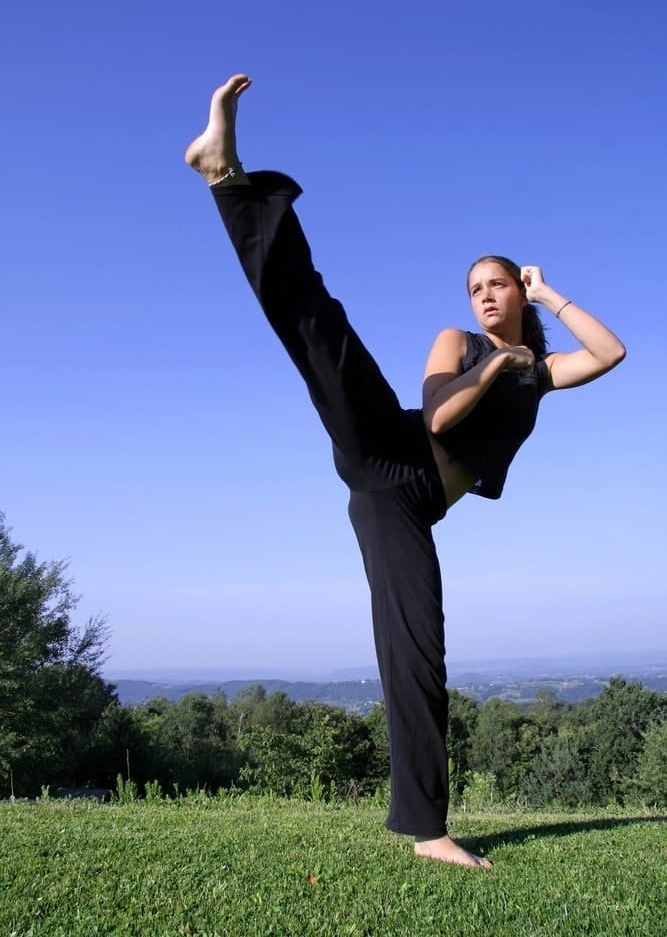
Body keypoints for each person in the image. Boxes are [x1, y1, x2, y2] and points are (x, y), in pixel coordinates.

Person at [185, 74, 626, 868]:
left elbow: (610, 353)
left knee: (418, 649)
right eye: (475, 288)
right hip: (388, 453)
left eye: (496, 285)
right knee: (320, 329)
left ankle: (426, 831)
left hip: (413, 506)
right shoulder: (459, 344)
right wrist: (492, 368)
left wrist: (546, 292)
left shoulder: (536, 368)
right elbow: (436, 418)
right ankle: (226, 175)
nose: (484, 296)